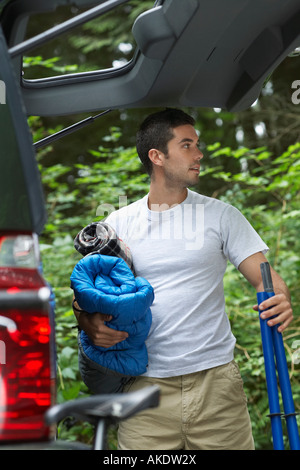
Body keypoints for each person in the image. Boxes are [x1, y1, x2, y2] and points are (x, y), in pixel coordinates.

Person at [73, 108, 293, 450]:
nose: (199, 154)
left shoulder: (221, 216)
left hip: (216, 386)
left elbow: (267, 279)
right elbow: (87, 294)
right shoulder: (118, 224)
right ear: (157, 156)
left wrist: (280, 297)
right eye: (187, 145)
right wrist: (87, 321)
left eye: (198, 144)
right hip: (143, 391)